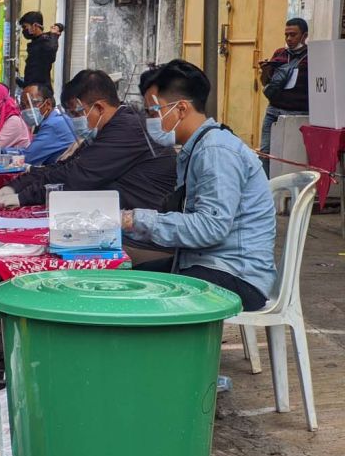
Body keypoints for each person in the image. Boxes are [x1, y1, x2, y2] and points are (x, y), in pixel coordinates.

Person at [123, 60, 276, 310]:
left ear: (181, 108)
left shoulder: (215, 150)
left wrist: (134, 219)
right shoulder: (198, 147)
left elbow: (211, 227)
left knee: (139, 297)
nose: (151, 119)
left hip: (236, 275)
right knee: (127, 279)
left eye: (154, 111)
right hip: (207, 264)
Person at [0, 70, 177, 214]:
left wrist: (23, 197)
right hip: (115, 216)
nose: (75, 121)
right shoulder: (107, 128)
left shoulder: (127, 129)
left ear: (99, 108)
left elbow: (78, 176)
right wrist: (16, 186)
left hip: (140, 231)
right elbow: (65, 166)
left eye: (76, 114)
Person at [259, 18, 310, 176]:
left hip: (297, 114)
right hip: (273, 112)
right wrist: (265, 71)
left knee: (291, 157)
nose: (289, 39)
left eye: (293, 35)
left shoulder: (312, 57)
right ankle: (266, 191)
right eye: (286, 35)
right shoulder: (279, 53)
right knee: (265, 153)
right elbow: (265, 82)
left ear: (304, 35)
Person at [15, 83, 76, 166]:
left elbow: (28, 157)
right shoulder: (55, 119)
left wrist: (0, 152)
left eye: (32, 103)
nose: (27, 109)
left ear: (48, 104)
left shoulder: (54, 124)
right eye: (23, 105)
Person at [17, 11, 58, 88]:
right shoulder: (36, 42)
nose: (23, 31)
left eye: (25, 27)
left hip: (40, 92)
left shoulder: (45, 42)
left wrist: (54, 34)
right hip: (31, 88)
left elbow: (51, 51)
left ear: (34, 26)